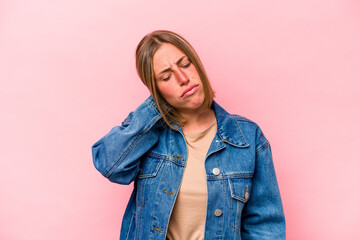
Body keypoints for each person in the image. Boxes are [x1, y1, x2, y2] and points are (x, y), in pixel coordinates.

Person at [92, 30, 286, 240]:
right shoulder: (147, 133)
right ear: (155, 89)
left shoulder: (247, 137)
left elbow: (265, 228)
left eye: (185, 64)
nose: (183, 78)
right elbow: (110, 165)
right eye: (166, 76)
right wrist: (155, 107)